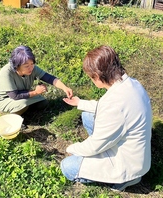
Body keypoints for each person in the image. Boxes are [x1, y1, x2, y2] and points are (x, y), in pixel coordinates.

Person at [61, 45, 152, 192]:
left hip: (128, 165)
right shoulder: (131, 84)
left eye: (91, 77)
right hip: (134, 152)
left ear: (97, 76)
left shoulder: (114, 103)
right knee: (87, 114)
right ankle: (103, 157)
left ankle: (127, 180)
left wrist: (72, 148)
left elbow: (95, 144)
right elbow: (113, 110)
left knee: (68, 166)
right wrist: (80, 103)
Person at [0, 45, 73, 116]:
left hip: (22, 93)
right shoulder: (6, 72)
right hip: (4, 99)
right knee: (23, 103)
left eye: (32, 64)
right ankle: (12, 118)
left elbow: (49, 78)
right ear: (17, 66)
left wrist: (64, 88)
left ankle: (23, 110)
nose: (31, 68)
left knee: (43, 103)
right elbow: (14, 96)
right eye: (26, 66)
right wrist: (36, 92)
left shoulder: (32, 68)